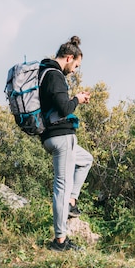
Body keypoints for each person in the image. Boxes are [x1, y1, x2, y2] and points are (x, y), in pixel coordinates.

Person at [39, 35, 93, 252]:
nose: (75, 70)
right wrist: (77, 99)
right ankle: (60, 241)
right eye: (76, 65)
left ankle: (71, 203)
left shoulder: (44, 73)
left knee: (86, 160)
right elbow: (64, 108)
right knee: (61, 187)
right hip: (61, 138)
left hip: (52, 137)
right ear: (69, 58)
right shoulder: (55, 76)